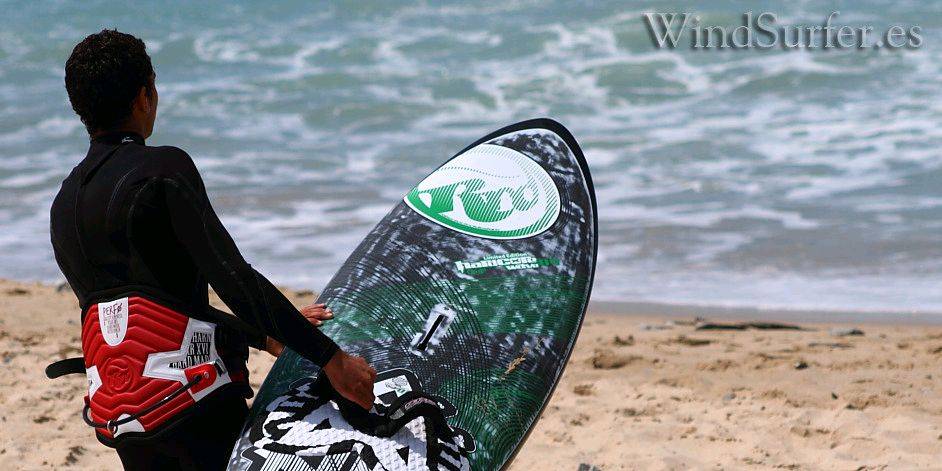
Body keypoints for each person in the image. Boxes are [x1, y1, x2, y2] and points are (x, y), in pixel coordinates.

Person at [49, 29, 376, 470]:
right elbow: (232, 276)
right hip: (196, 402)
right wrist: (332, 358)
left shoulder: (63, 204)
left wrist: (265, 336)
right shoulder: (162, 169)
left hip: (126, 414)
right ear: (144, 96)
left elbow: (137, 321)